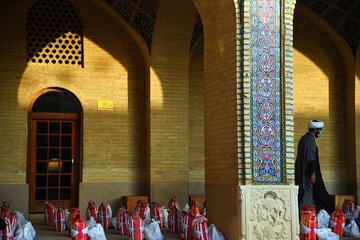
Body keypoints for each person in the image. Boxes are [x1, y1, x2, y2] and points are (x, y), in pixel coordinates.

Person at [295, 120, 335, 215]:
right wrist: (313, 173)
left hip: (303, 174)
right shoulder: (310, 139)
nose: (320, 132)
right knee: (321, 195)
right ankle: (332, 217)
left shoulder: (304, 138)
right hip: (309, 174)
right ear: (315, 130)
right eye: (320, 130)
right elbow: (311, 157)